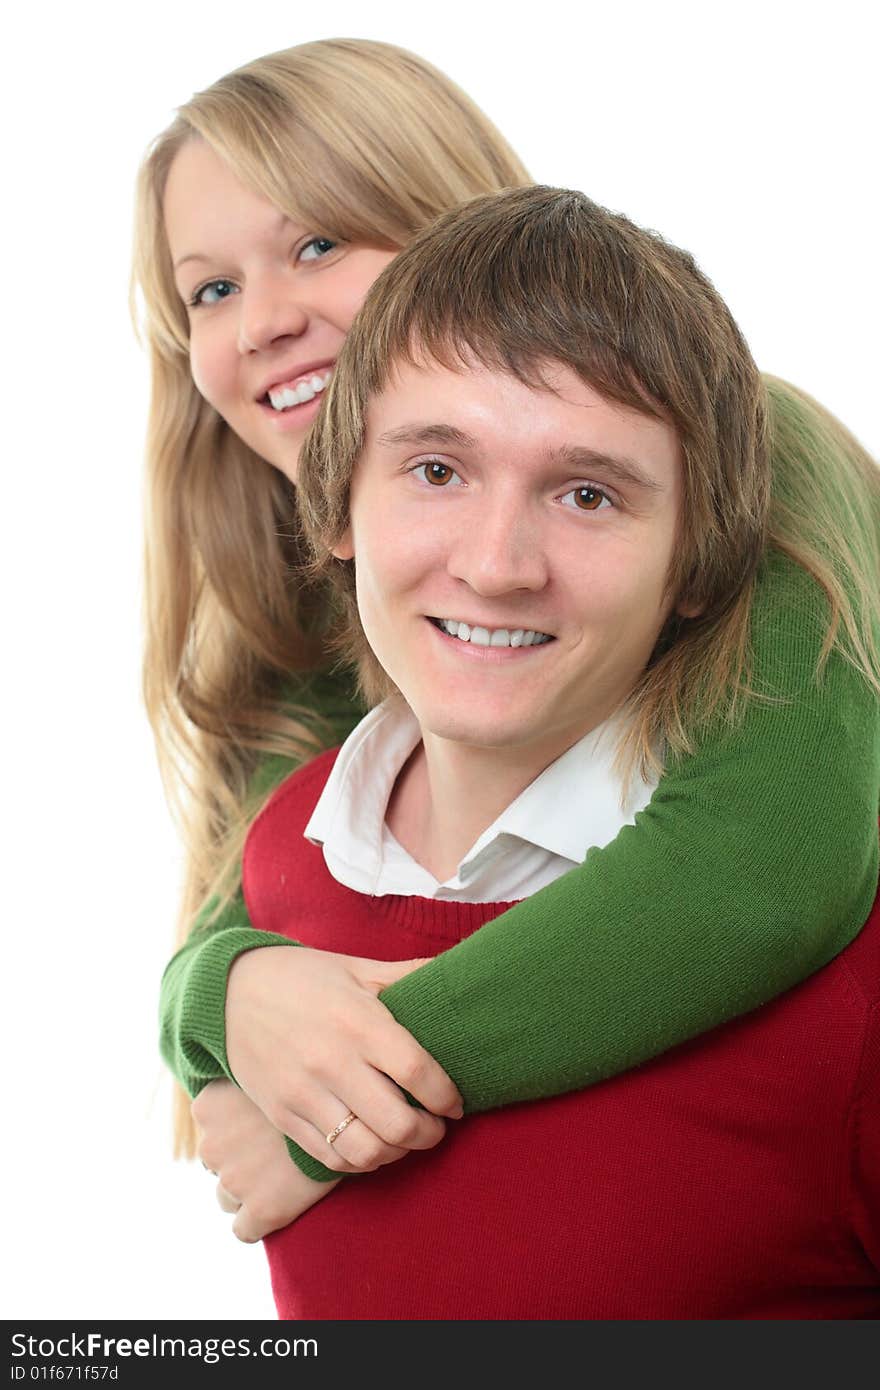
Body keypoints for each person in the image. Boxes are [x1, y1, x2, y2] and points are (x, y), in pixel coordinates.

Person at [135, 40, 878, 1198]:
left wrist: (328, 1112)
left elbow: (767, 864)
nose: (263, 320)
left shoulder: (751, 448)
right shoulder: (294, 619)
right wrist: (215, 994)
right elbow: (244, 914)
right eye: (210, 289)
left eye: (318, 243)